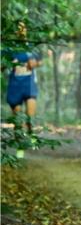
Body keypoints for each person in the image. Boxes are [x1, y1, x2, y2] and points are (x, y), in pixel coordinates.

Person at [5, 21, 41, 159]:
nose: (20, 31)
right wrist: (7, 64)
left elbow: (40, 60)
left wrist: (35, 63)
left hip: (29, 85)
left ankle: (31, 134)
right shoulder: (9, 48)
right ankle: (20, 146)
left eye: (23, 28)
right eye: (18, 28)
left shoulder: (32, 46)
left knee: (30, 116)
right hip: (15, 86)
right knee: (18, 120)